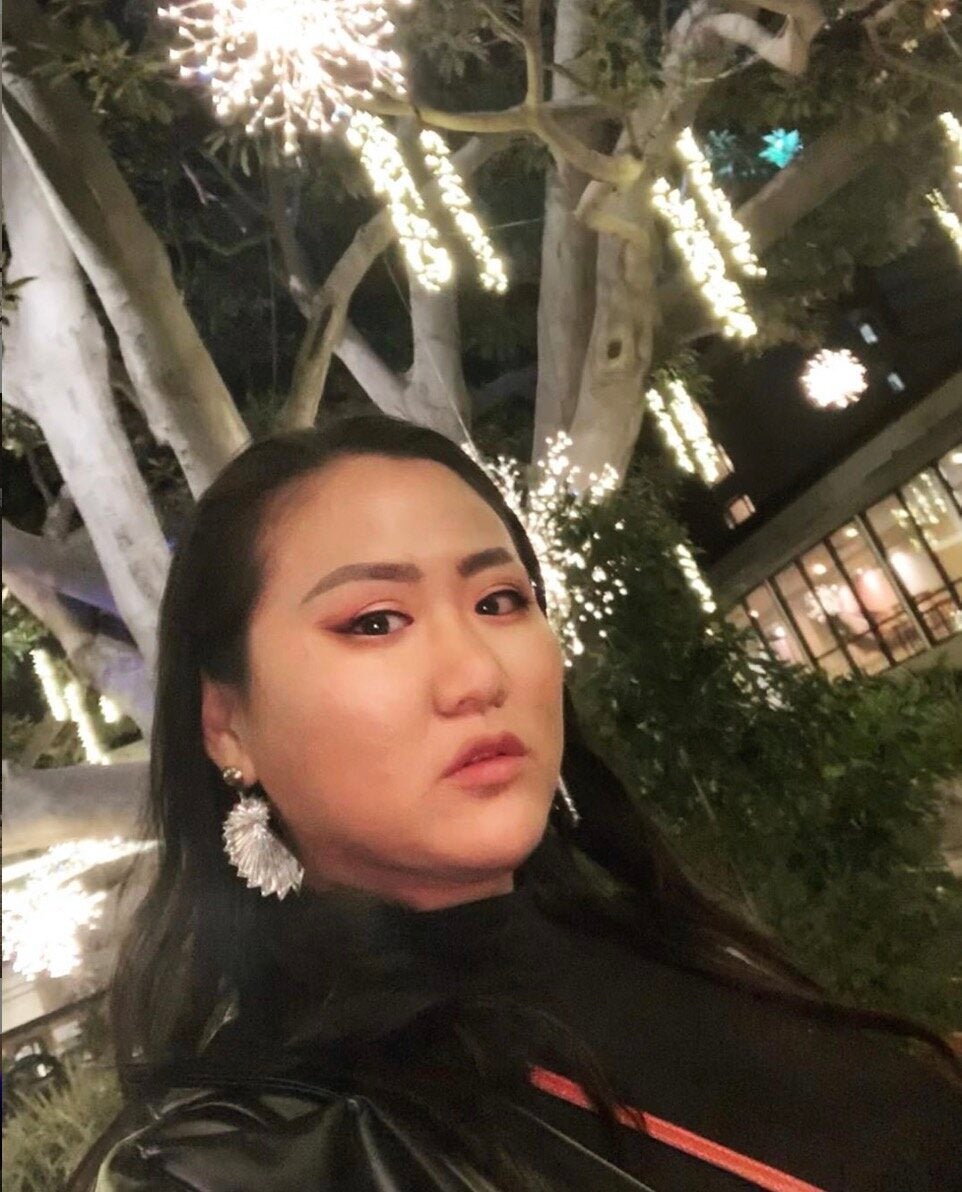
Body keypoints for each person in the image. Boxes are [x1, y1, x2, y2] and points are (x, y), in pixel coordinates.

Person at [72, 415, 961, 1191]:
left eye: (500, 601)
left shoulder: (674, 943)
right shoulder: (243, 1159)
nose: (477, 674)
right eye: (375, 621)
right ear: (226, 725)